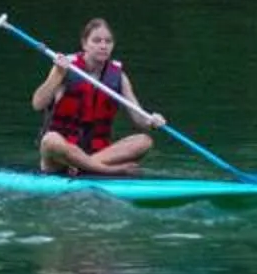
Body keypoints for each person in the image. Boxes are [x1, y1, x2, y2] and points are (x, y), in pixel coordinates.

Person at [33, 18, 166, 175]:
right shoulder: (65, 68)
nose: (103, 46)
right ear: (84, 44)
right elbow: (38, 104)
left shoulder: (118, 76)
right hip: (62, 156)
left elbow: (138, 117)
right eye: (96, 41)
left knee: (144, 141)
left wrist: (152, 121)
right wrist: (58, 74)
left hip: (99, 153)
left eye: (108, 41)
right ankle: (109, 171)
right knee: (50, 140)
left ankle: (83, 166)